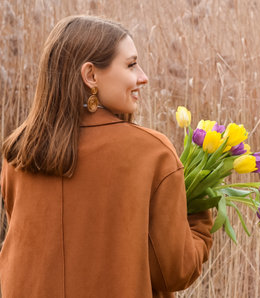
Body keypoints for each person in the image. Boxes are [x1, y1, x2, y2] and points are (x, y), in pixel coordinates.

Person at [0, 15, 213, 298]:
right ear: (90, 76)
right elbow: (174, 271)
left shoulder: (20, 153)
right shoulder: (151, 154)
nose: (143, 77)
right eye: (131, 64)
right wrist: (199, 218)